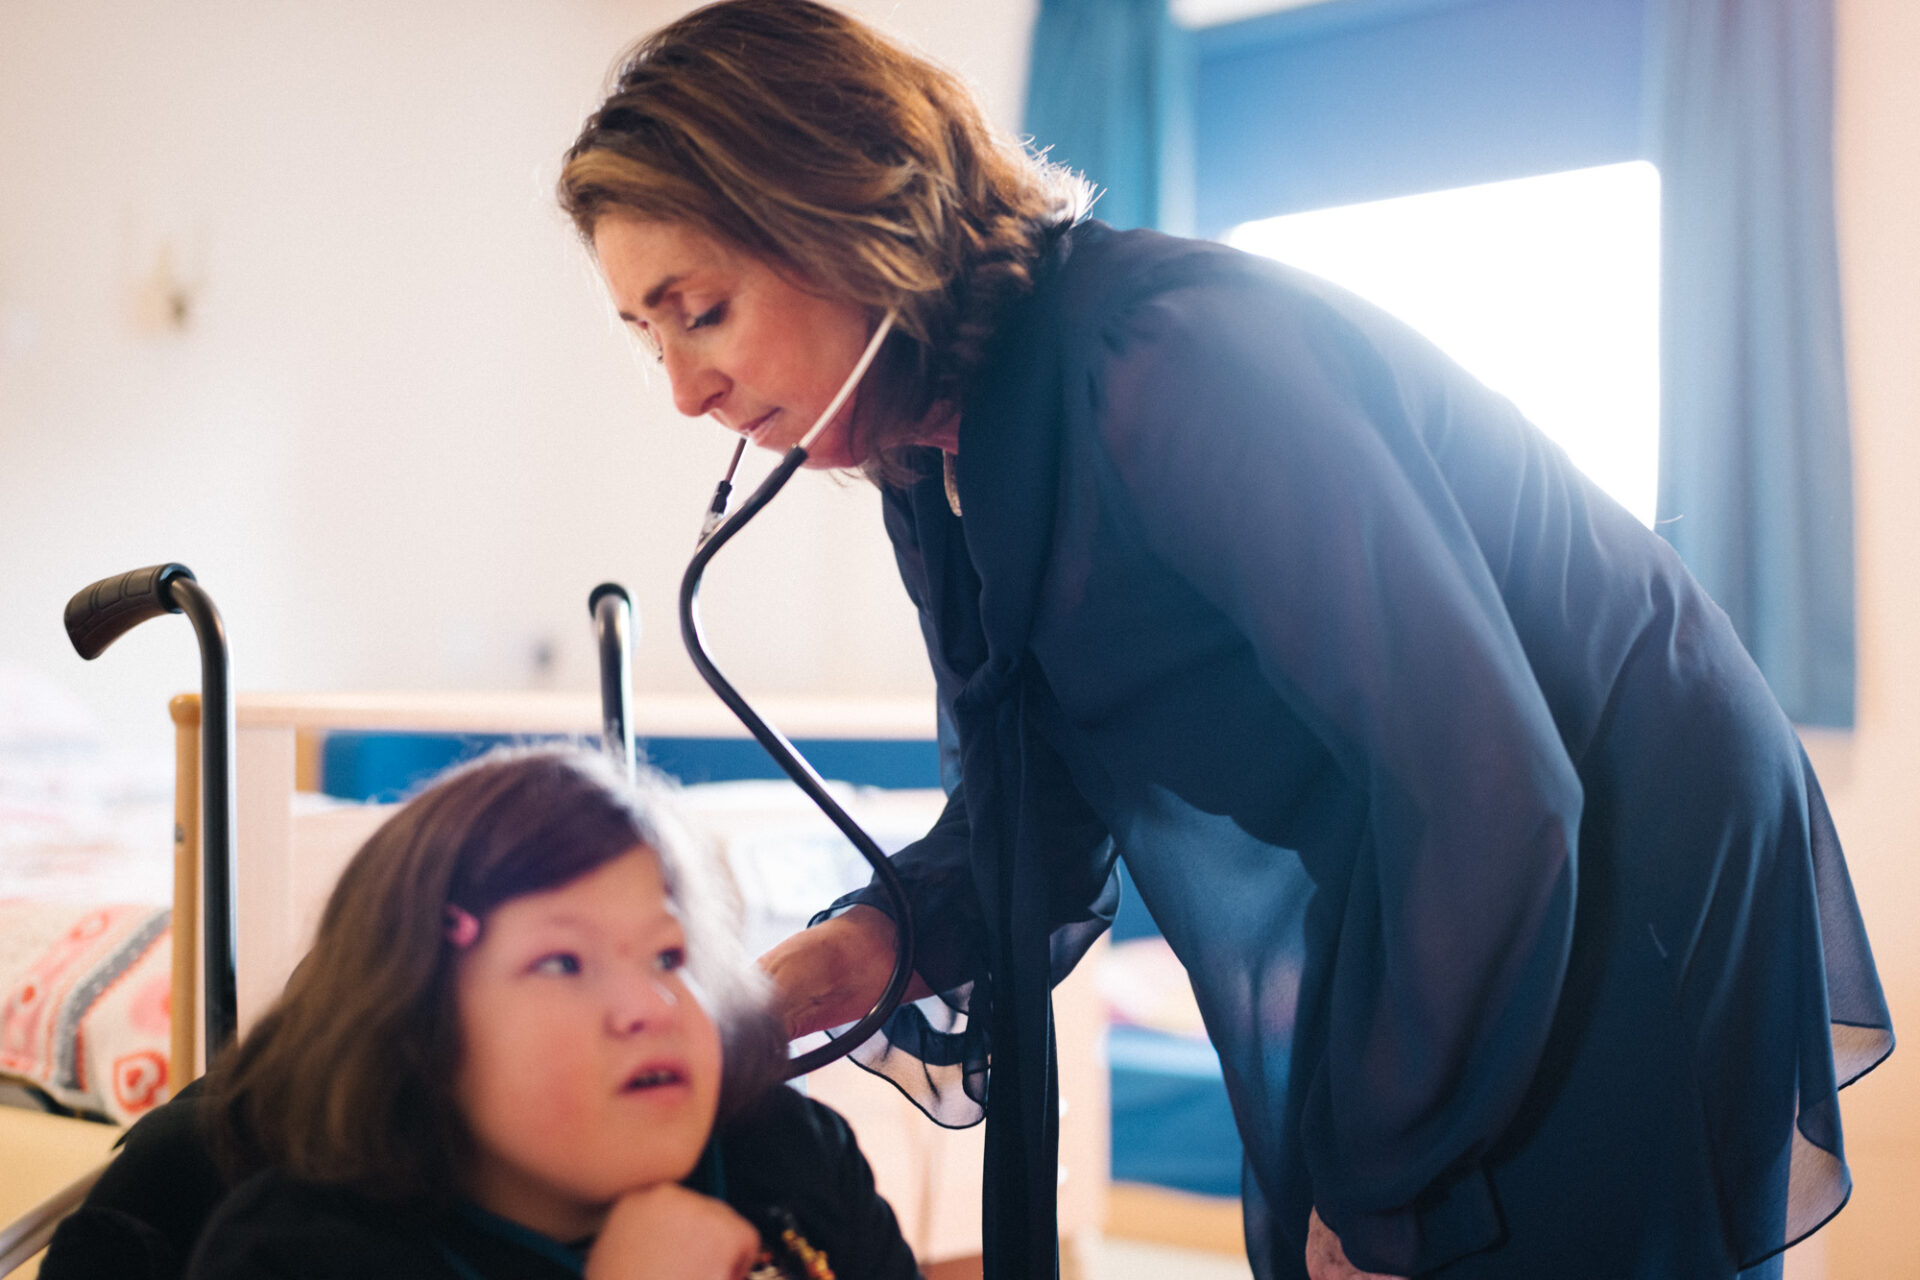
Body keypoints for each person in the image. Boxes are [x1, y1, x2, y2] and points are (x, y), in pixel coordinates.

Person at [555, 4, 1895, 1279]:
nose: (683, 392)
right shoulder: (939, 452)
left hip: (1614, 841)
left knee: (1435, 1225)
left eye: (702, 308)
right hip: (1453, 838)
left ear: (848, 213)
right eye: (642, 336)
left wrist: (1381, 1205)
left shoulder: (1167, 360)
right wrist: (807, 975)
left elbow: (1487, 787)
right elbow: (1029, 822)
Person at [47, 748, 919, 1280]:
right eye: (562, 962)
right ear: (418, 1034)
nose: (647, 1006)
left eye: (666, 956)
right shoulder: (300, 1255)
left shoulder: (790, 1159)